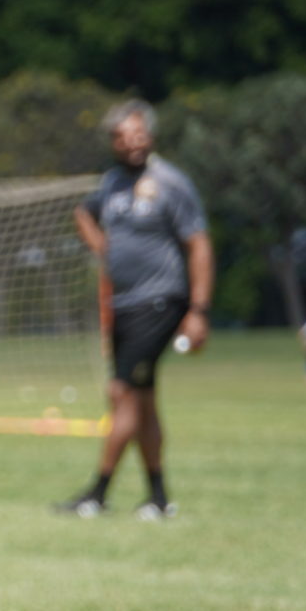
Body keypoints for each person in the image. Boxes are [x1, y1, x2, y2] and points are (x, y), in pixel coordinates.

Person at [55, 99, 212, 520]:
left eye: (139, 134)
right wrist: (103, 249)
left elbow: (198, 245)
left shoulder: (170, 183)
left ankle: (97, 494)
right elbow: (82, 213)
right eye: (124, 136)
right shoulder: (110, 185)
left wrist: (198, 310)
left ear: (151, 136)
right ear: (113, 141)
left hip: (159, 301)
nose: (133, 143)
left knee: (121, 393)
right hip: (123, 305)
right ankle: (158, 497)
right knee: (142, 401)